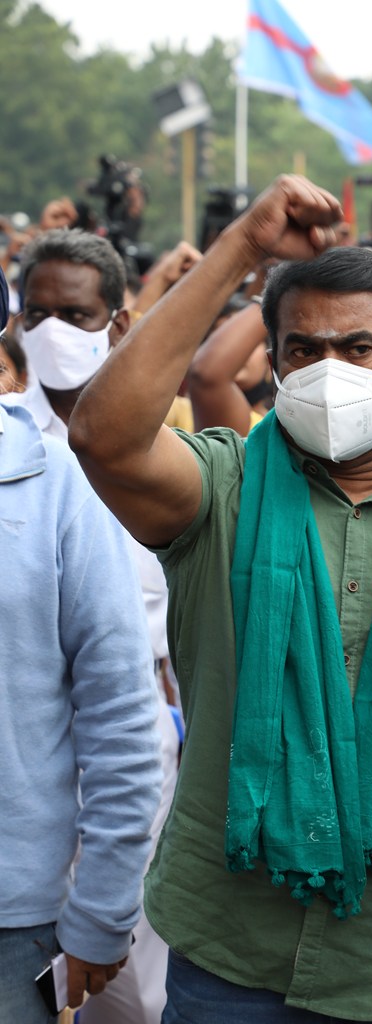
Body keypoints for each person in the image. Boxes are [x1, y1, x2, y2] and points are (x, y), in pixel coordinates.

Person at [69, 175, 372, 1024]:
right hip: (230, 961)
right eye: (302, 350)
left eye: (357, 347)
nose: (329, 370)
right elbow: (102, 435)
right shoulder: (220, 492)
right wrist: (243, 247)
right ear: (274, 363)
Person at [7, 227, 181, 1024]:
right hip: (33, 764)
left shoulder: (157, 453)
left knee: (134, 987)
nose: (52, 334)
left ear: (118, 323)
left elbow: (126, 695)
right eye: (36, 315)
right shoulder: (23, 444)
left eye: (74, 317)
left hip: (131, 743)